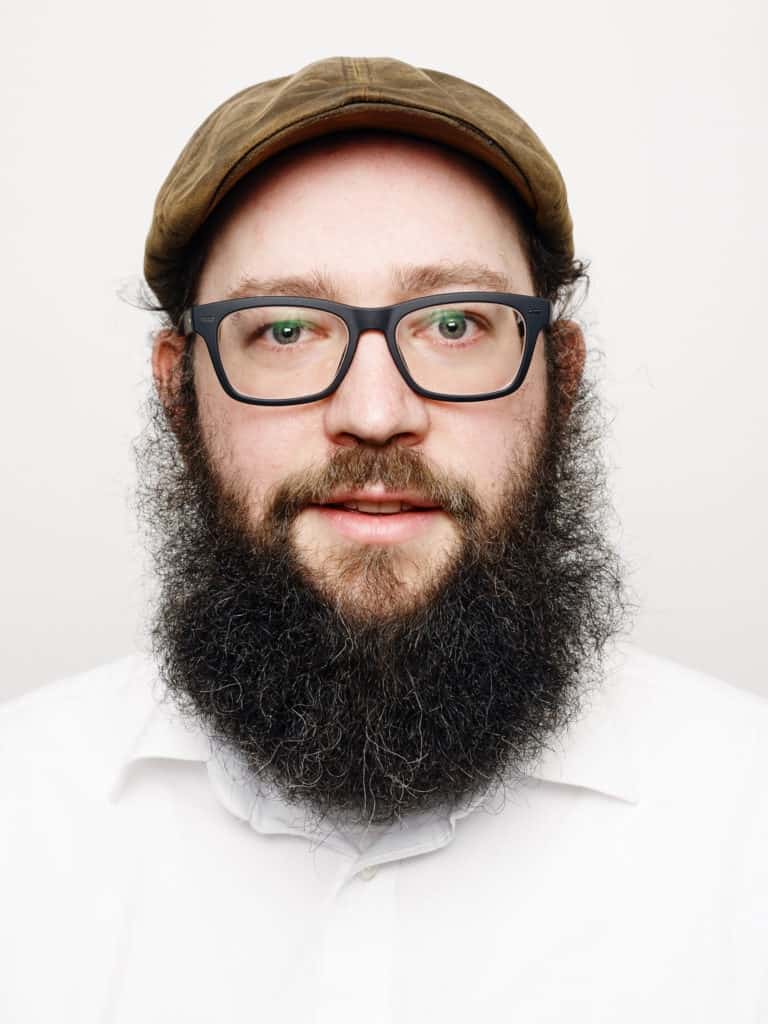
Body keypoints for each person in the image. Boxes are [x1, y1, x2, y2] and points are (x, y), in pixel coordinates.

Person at [1, 56, 766, 1022]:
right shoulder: (19, 821)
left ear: (559, 378)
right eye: (284, 330)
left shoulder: (749, 826)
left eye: (454, 322)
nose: (374, 411)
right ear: (178, 389)